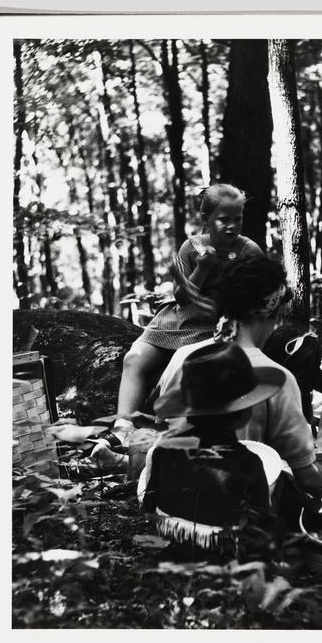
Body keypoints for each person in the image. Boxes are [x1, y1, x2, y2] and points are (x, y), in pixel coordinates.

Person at [90, 183, 262, 452]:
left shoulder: (248, 250)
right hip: (182, 317)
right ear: (206, 220)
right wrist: (203, 266)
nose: (231, 226)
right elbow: (182, 296)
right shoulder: (191, 247)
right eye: (223, 220)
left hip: (217, 321)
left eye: (237, 219)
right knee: (134, 358)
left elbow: (258, 296)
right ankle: (123, 428)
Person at [150, 255, 322, 497]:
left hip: (170, 506)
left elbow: (159, 431)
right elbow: (307, 477)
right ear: (271, 312)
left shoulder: (182, 356)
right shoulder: (277, 379)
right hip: (231, 514)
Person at [138, 342, 281, 558]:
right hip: (222, 567)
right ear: (244, 412)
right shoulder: (248, 463)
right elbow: (258, 530)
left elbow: (149, 507)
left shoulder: (163, 450)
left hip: (170, 556)